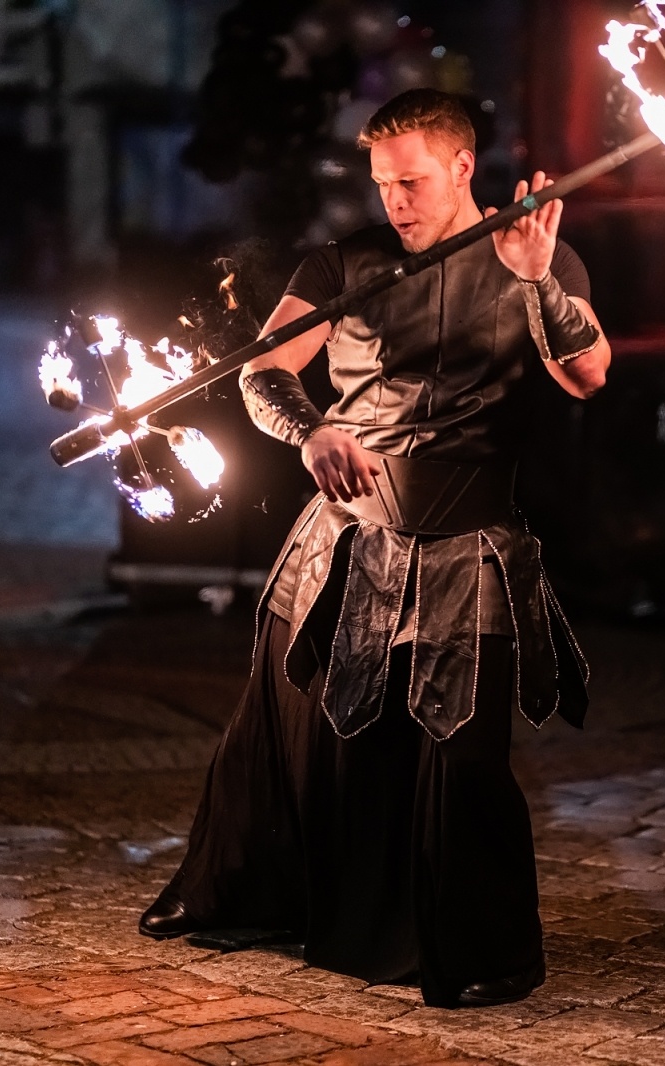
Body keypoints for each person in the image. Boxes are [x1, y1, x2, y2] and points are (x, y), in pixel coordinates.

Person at [139, 89, 606, 1009]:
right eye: (382, 183)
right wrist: (309, 433)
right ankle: (261, 896)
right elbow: (263, 372)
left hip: (469, 547)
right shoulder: (343, 265)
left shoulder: (535, 254)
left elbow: (589, 375)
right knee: (294, 735)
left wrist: (538, 281)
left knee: (461, 758)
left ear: (464, 168)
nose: (395, 199)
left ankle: (474, 949)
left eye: (413, 181)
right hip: (346, 541)